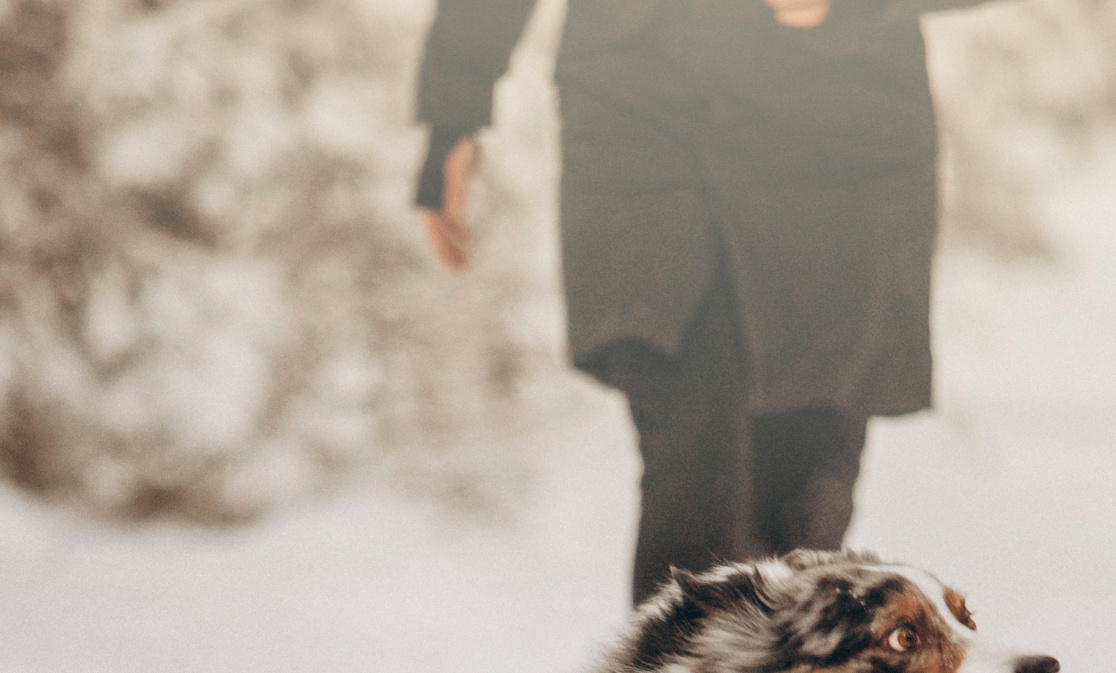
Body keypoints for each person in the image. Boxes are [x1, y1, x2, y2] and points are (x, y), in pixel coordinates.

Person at [412, 0, 993, 605]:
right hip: (640, 120)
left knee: (801, 497)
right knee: (693, 466)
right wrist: (452, 115)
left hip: (837, 142)